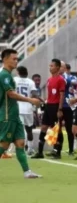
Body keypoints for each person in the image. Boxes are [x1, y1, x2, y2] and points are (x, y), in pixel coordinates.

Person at [0, 49, 41, 178]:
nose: (16, 61)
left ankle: (27, 172)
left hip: (15, 114)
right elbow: (10, 94)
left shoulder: (9, 75)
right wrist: (30, 100)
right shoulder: (4, 75)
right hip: (7, 114)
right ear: (5, 59)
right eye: (14, 58)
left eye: (17, 59)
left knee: (20, 143)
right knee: (4, 144)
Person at [32, 59, 66, 159]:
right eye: (50, 66)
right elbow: (50, 94)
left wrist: (60, 109)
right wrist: (45, 101)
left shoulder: (60, 80)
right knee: (43, 127)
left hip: (56, 106)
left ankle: (57, 151)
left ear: (57, 67)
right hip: (49, 106)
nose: (50, 67)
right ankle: (40, 152)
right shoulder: (49, 80)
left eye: (52, 66)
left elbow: (61, 95)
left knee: (56, 129)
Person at [14, 66, 39, 156]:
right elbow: (35, 94)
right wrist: (31, 100)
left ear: (18, 72)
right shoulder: (30, 82)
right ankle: (30, 148)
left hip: (17, 107)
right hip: (28, 108)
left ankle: (22, 147)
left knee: (20, 129)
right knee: (29, 129)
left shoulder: (15, 80)